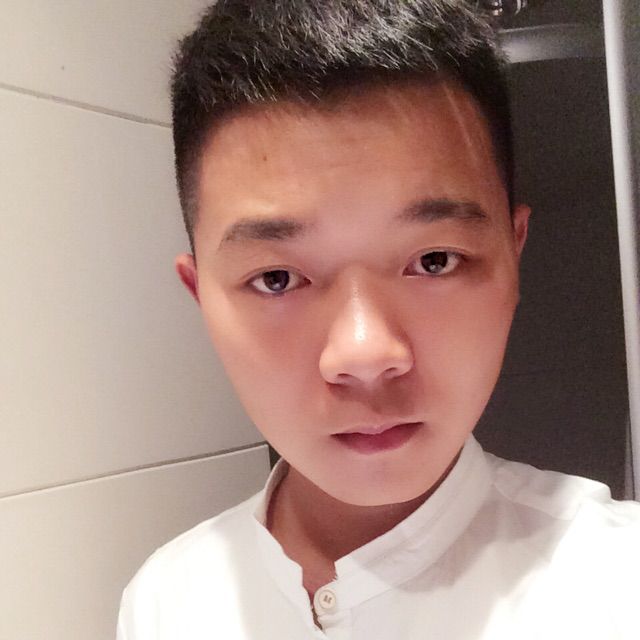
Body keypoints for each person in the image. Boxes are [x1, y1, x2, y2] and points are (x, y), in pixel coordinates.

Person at [116, 1, 640, 638]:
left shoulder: (618, 584)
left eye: (435, 260)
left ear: (513, 255)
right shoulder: (165, 600)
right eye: (277, 278)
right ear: (201, 296)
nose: (365, 354)